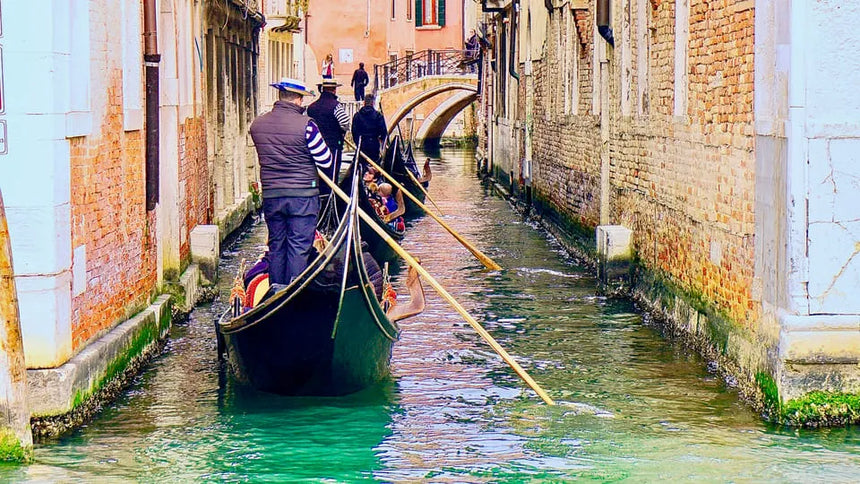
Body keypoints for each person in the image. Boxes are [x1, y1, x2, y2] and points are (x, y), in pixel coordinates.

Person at [248, 78, 333, 285]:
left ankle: (276, 289)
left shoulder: (257, 125)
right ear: (297, 100)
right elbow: (325, 160)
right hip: (302, 196)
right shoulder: (307, 126)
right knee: (299, 244)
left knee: (277, 245)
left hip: (272, 195)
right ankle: (294, 290)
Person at [307, 79, 350, 190]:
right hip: (333, 146)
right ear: (334, 90)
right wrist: (340, 131)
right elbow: (345, 123)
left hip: (314, 146)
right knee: (332, 174)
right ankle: (330, 197)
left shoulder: (311, 107)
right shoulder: (336, 106)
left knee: (317, 173)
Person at [351, 93, 388, 165]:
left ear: (364, 103)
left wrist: (357, 142)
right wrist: (382, 143)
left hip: (361, 145)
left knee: (360, 164)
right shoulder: (378, 115)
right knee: (373, 165)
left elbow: (354, 132)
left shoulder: (357, 116)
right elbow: (384, 132)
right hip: (374, 145)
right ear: (373, 103)